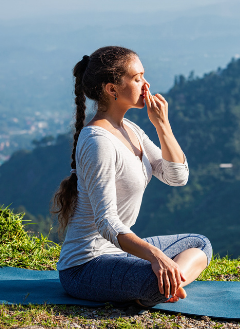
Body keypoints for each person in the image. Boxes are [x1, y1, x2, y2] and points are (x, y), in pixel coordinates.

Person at [52, 46, 212, 307]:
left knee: (199, 244)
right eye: (137, 78)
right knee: (154, 277)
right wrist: (155, 256)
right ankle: (160, 287)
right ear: (112, 89)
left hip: (119, 254)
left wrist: (162, 125)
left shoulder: (131, 130)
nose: (146, 85)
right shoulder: (98, 142)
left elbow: (176, 177)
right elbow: (107, 223)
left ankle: (166, 286)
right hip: (85, 267)